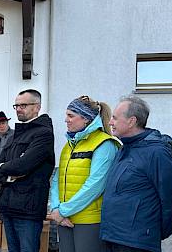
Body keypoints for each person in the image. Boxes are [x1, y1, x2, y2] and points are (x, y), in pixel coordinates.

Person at [100, 95, 172, 252]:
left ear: (131, 121)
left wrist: (154, 232)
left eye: (114, 118)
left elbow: (168, 198)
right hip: (113, 236)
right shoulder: (124, 148)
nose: (110, 122)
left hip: (137, 241)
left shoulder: (156, 152)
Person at [49, 96, 119, 252]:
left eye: (71, 115)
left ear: (86, 119)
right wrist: (55, 208)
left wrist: (63, 211)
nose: (66, 120)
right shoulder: (70, 145)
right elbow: (57, 179)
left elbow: (95, 185)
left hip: (88, 221)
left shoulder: (104, 144)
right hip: (64, 219)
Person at [0, 89, 55, 252]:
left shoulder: (44, 134)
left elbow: (23, 165)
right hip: (8, 206)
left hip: (28, 210)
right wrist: (9, 177)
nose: (18, 109)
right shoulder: (14, 136)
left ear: (37, 107)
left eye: (23, 105)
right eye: (16, 105)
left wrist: (3, 167)